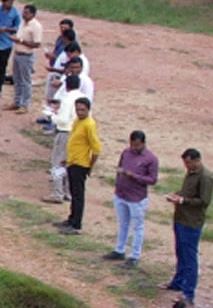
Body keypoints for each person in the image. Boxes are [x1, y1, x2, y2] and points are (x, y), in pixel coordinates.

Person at [168, 149, 213, 300]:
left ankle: (188, 292)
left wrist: (183, 201)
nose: (186, 166)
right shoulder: (191, 173)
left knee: (189, 257)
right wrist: (177, 195)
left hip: (192, 222)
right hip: (181, 218)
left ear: (196, 160)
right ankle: (178, 282)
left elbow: (204, 201)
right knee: (180, 252)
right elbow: (187, 192)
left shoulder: (205, 177)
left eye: (188, 162)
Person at [108, 131, 160, 268]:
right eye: (132, 144)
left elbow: (153, 180)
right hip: (122, 194)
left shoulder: (151, 159)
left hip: (136, 198)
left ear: (143, 143)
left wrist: (135, 176)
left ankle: (135, 255)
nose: (134, 147)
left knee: (137, 226)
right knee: (123, 223)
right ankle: (119, 250)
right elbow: (119, 168)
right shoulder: (126, 152)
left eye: (137, 145)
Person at [58, 98, 101, 233]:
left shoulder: (89, 125)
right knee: (74, 192)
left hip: (81, 164)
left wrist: (90, 166)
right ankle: (71, 219)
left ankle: (76, 224)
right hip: (73, 162)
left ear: (88, 109)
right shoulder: (77, 121)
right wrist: (68, 159)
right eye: (77, 109)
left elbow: (96, 149)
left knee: (78, 195)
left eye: (82, 110)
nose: (80, 112)